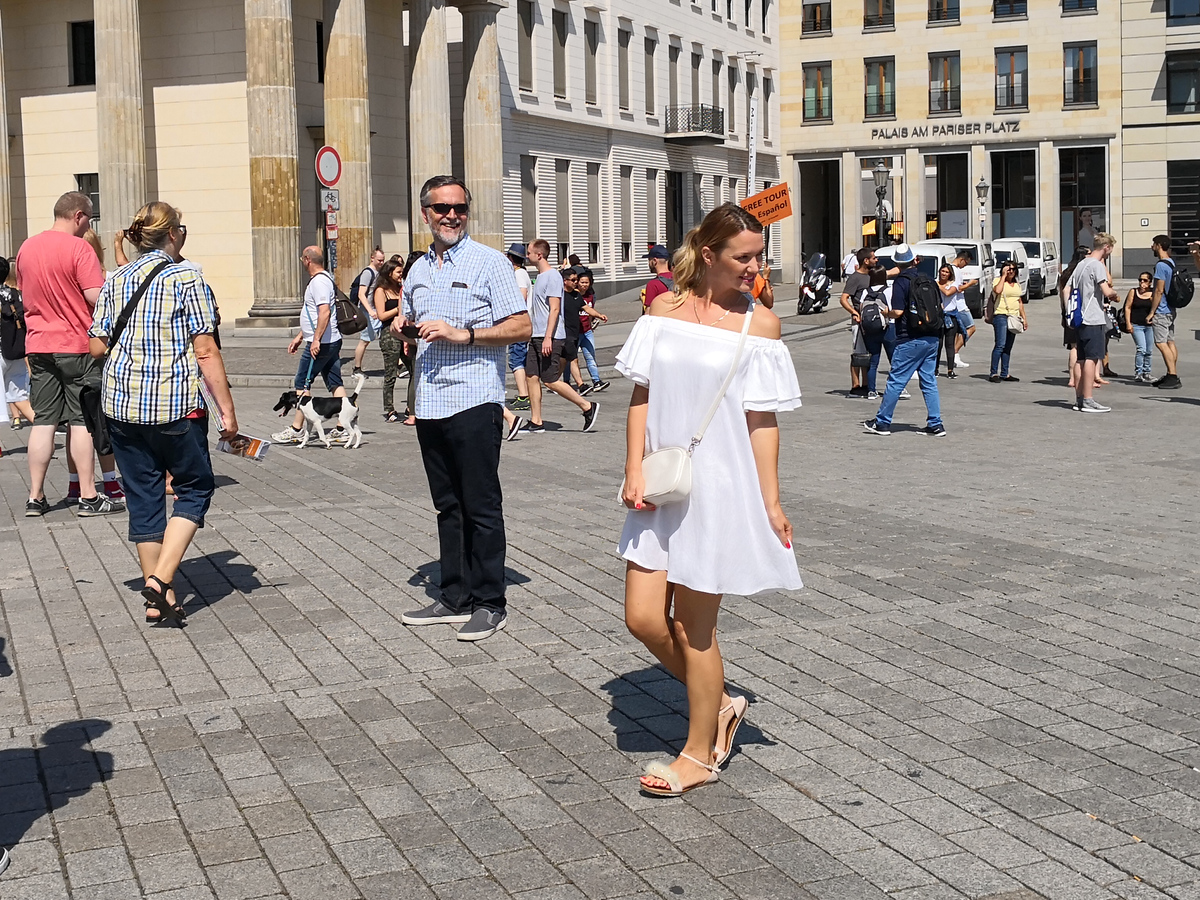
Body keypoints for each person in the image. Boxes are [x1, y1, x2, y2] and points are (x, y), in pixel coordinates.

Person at [617, 203, 801, 796]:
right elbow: (642, 394)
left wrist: (771, 500)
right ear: (708, 254)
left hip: (720, 489)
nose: (755, 267)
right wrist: (632, 469)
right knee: (643, 617)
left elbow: (762, 421)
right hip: (661, 481)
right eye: (743, 257)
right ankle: (719, 702)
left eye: (759, 255)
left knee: (697, 629)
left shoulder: (761, 324)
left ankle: (698, 754)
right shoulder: (662, 307)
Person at [87, 201, 238, 626]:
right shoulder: (187, 276)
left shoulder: (116, 278)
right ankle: (161, 579)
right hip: (175, 406)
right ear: (173, 234)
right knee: (195, 488)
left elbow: (96, 346)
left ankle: (158, 597)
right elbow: (205, 350)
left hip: (122, 406)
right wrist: (227, 411)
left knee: (144, 497)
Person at [396, 175, 532, 641]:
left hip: (474, 398)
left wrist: (465, 334)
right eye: (441, 208)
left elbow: (521, 326)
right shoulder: (417, 269)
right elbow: (411, 319)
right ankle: (455, 596)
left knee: (480, 504)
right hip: (430, 401)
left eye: (460, 208)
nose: (451, 215)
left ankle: (491, 602)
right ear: (425, 213)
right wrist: (405, 328)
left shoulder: (489, 262)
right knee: (446, 505)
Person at [15, 191, 125, 517]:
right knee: (82, 420)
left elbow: (25, 294)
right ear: (78, 215)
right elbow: (95, 296)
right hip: (76, 345)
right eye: (88, 219)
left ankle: (35, 496)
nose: (87, 225)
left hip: (38, 345)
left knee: (44, 421)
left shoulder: (26, 248)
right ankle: (89, 497)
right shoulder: (78, 248)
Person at [862, 244, 946, 437]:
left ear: (896, 262)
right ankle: (935, 423)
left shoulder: (901, 282)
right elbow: (939, 306)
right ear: (913, 259)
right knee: (929, 381)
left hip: (910, 338)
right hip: (932, 337)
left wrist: (886, 312)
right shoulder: (927, 279)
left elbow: (898, 312)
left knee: (896, 381)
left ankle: (882, 422)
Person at [521, 240, 600, 434]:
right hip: (536, 335)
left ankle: (587, 406)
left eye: (529, 252)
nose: (527, 255)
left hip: (551, 336)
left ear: (539, 255)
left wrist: (548, 337)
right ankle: (536, 420)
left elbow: (555, 309)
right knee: (531, 375)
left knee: (550, 380)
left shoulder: (553, 277)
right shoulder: (539, 277)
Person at [272, 247, 349, 443]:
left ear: (307, 260)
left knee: (302, 383)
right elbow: (313, 314)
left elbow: (324, 313)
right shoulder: (324, 279)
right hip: (328, 340)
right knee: (334, 381)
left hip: (322, 343)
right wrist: (301, 335)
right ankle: (343, 426)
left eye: (302, 259)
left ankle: (297, 429)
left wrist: (315, 340)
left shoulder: (319, 282)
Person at [1067, 233, 1120, 413]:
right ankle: (1088, 399)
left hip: (1079, 317)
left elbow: (1068, 288)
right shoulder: (1097, 265)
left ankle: (1080, 398)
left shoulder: (1081, 264)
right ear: (1107, 247)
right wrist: (1114, 294)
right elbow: (1106, 290)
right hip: (1093, 318)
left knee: (1081, 359)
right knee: (1091, 359)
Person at [373, 257, 409, 423]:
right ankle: (389, 408)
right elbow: (381, 315)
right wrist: (398, 308)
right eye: (398, 272)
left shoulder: (401, 288)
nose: (401, 275)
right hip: (389, 333)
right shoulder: (381, 291)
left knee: (412, 367)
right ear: (389, 273)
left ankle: (411, 405)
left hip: (404, 332)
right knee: (390, 373)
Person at [0, 260, 34, 428]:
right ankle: (46, 429)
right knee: (19, 396)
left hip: (0, 352)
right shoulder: (16, 294)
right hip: (15, 349)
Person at [1147, 235, 1182, 389]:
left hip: (1161, 310)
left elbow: (1159, 291)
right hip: (1171, 309)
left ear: (1159, 245)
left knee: (1161, 343)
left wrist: (1151, 312)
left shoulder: (1161, 265)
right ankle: (1171, 373)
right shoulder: (1171, 262)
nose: (1152, 247)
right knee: (1170, 341)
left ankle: (1173, 376)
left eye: (1154, 244)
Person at [838, 248, 874, 396]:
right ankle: (856, 385)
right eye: (873, 258)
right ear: (866, 261)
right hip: (859, 320)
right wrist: (854, 312)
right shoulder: (855, 277)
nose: (876, 260)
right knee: (858, 353)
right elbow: (843, 298)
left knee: (867, 353)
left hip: (871, 320)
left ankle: (866, 384)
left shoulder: (873, 274)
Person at [985, 260, 1028, 383]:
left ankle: (1005, 373)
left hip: (1014, 317)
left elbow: (1020, 302)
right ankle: (993, 373)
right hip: (1001, 315)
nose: (1011, 272)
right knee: (1000, 344)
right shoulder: (998, 281)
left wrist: (1024, 318)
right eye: (1008, 269)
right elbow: (997, 291)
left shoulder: (1017, 284)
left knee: (1008, 347)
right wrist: (1003, 276)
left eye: (1013, 269)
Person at [351, 247, 386, 378]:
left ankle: (397, 364)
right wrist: (370, 311)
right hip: (367, 312)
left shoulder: (378, 272)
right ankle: (357, 368)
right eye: (379, 260)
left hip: (376, 310)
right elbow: (361, 294)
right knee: (365, 340)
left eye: (383, 260)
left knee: (387, 335)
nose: (381, 263)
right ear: (372, 258)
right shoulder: (368, 273)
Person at [506, 244, 532, 411]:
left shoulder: (519, 274)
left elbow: (521, 296)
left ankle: (524, 395)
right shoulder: (521, 273)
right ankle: (525, 393)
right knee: (519, 358)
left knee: (516, 358)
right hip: (520, 321)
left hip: (518, 322)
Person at [574, 268, 610, 392]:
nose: (584, 285)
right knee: (571, 359)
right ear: (577, 282)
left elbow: (590, 312)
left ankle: (596, 381)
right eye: (582, 282)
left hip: (587, 331)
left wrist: (596, 319)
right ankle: (566, 382)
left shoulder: (590, 296)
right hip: (574, 332)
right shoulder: (573, 295)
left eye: (586, 282)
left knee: (590, 356)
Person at [1124, 272, 1156, 383]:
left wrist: (1151, 297)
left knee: (1149, 350)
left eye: (1145, 280)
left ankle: (1147, 372)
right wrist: (1128, 323)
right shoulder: (1133, 291)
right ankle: (1138, 372)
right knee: (1141, 348)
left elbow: (1155, 307)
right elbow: (1127, 307)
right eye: (1140, 280)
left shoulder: (1153, 293)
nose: (1142, 282)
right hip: (1136, 325)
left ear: (1150, 282)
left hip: (1150, 326)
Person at [949, 254, 978, 368]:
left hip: (956, 304)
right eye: (966, 263)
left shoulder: (952, 269)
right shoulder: (955, 270)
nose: (965, 266)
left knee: (957, 331)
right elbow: (958, 288)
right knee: (971, 328)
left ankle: (955, 355)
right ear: (961, 260)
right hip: (960, 305)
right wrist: (970, 284)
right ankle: (955, 353)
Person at [936, 264, 964, 378]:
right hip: (938, 317)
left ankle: (950, 369)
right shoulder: (935, 283)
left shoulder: (954, 284)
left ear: (950, 274)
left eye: (947, 272)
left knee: (950, 344)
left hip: (951, 316)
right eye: (942, 271)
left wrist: (937, 285)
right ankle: (935, 368)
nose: (944, 274)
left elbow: (948, 293)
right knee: (938, 344)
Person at [641, 245, 674, 312]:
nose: (649, 264)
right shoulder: (679, 279)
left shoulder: (653, 284)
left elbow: (649, 312)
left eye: (649, 260)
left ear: (654, 261)